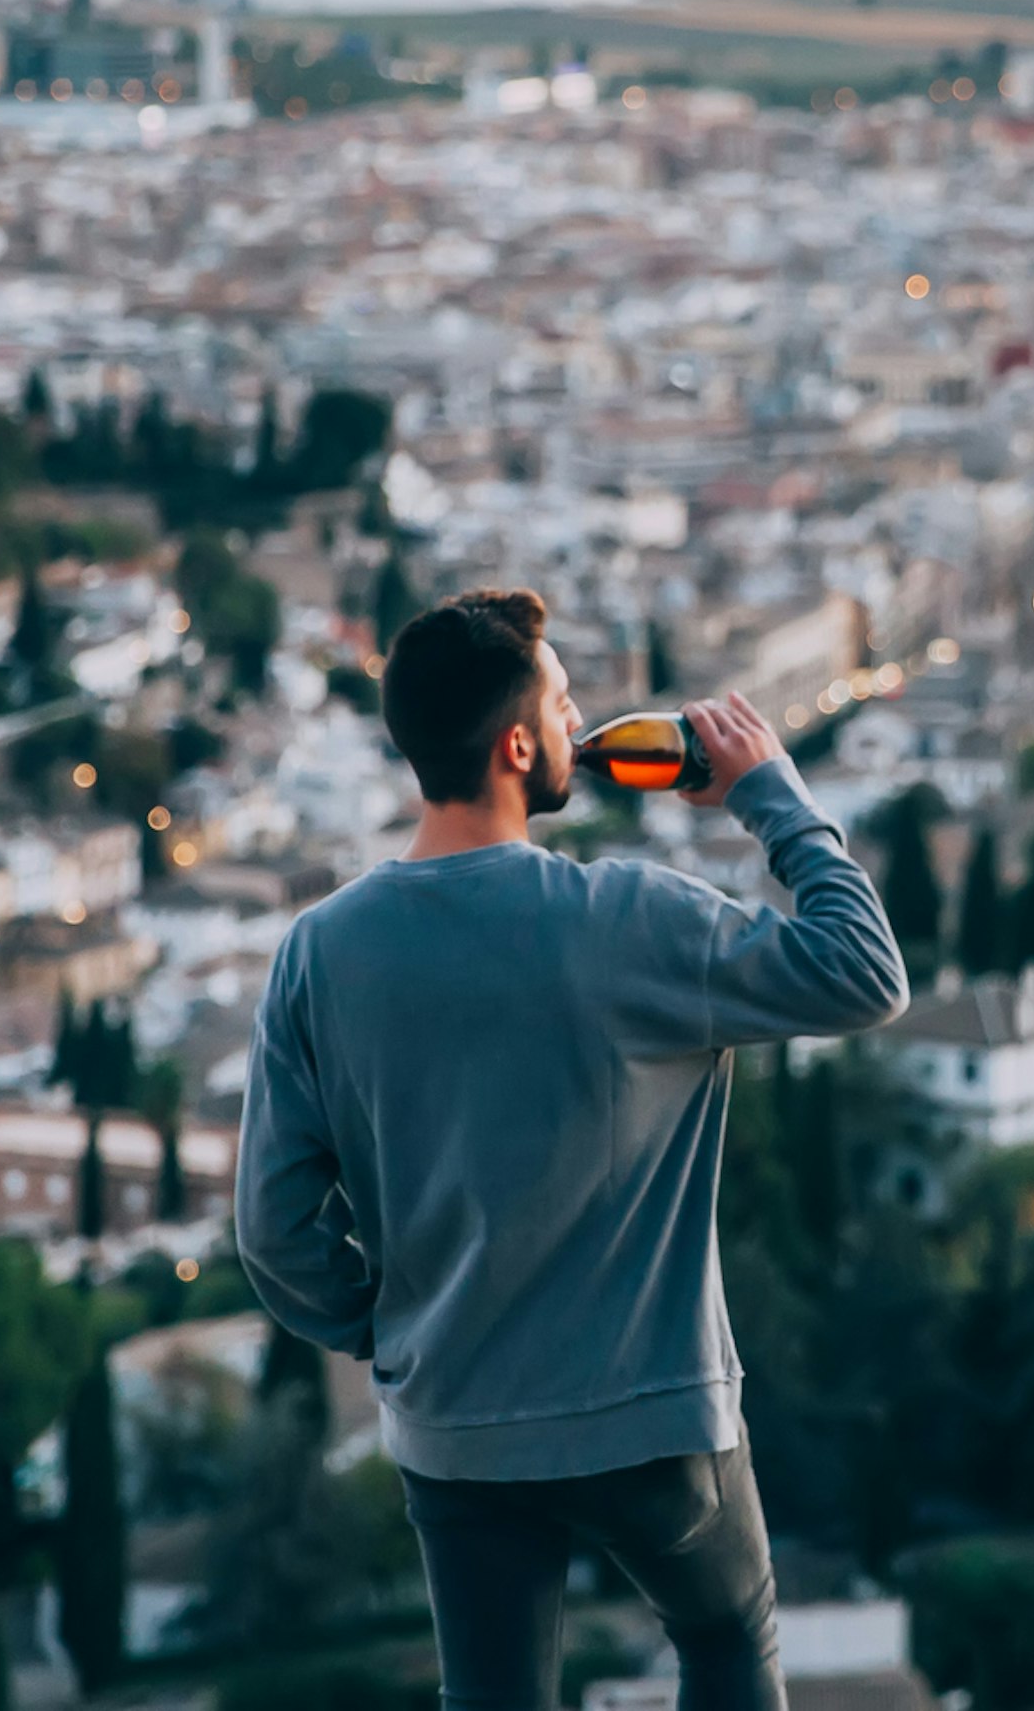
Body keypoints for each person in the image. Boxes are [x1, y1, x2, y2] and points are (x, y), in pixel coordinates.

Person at [237, 589, 909, 1711]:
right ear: (516, 745)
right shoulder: (632, 917)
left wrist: (393, 1328)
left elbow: (272, 1228)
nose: (581, 720)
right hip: (651, 1417)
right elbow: (865, 971)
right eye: (562, 701)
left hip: (454, 1421)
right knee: (729, 1643)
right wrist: (769, 795)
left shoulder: (321, 951)